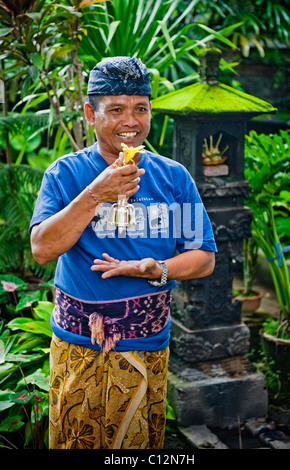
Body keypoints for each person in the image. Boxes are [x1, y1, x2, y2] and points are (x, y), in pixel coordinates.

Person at [30, 56, 217, 450]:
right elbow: (43, 249)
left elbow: (204, 257)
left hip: (146, 346)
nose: (130, 121)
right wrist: (98, 193)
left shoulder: (172, 177)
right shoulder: (66, 175)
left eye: (141, 109)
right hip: (78, 346)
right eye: (115, 109)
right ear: (90, 113)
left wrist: (157, 268)